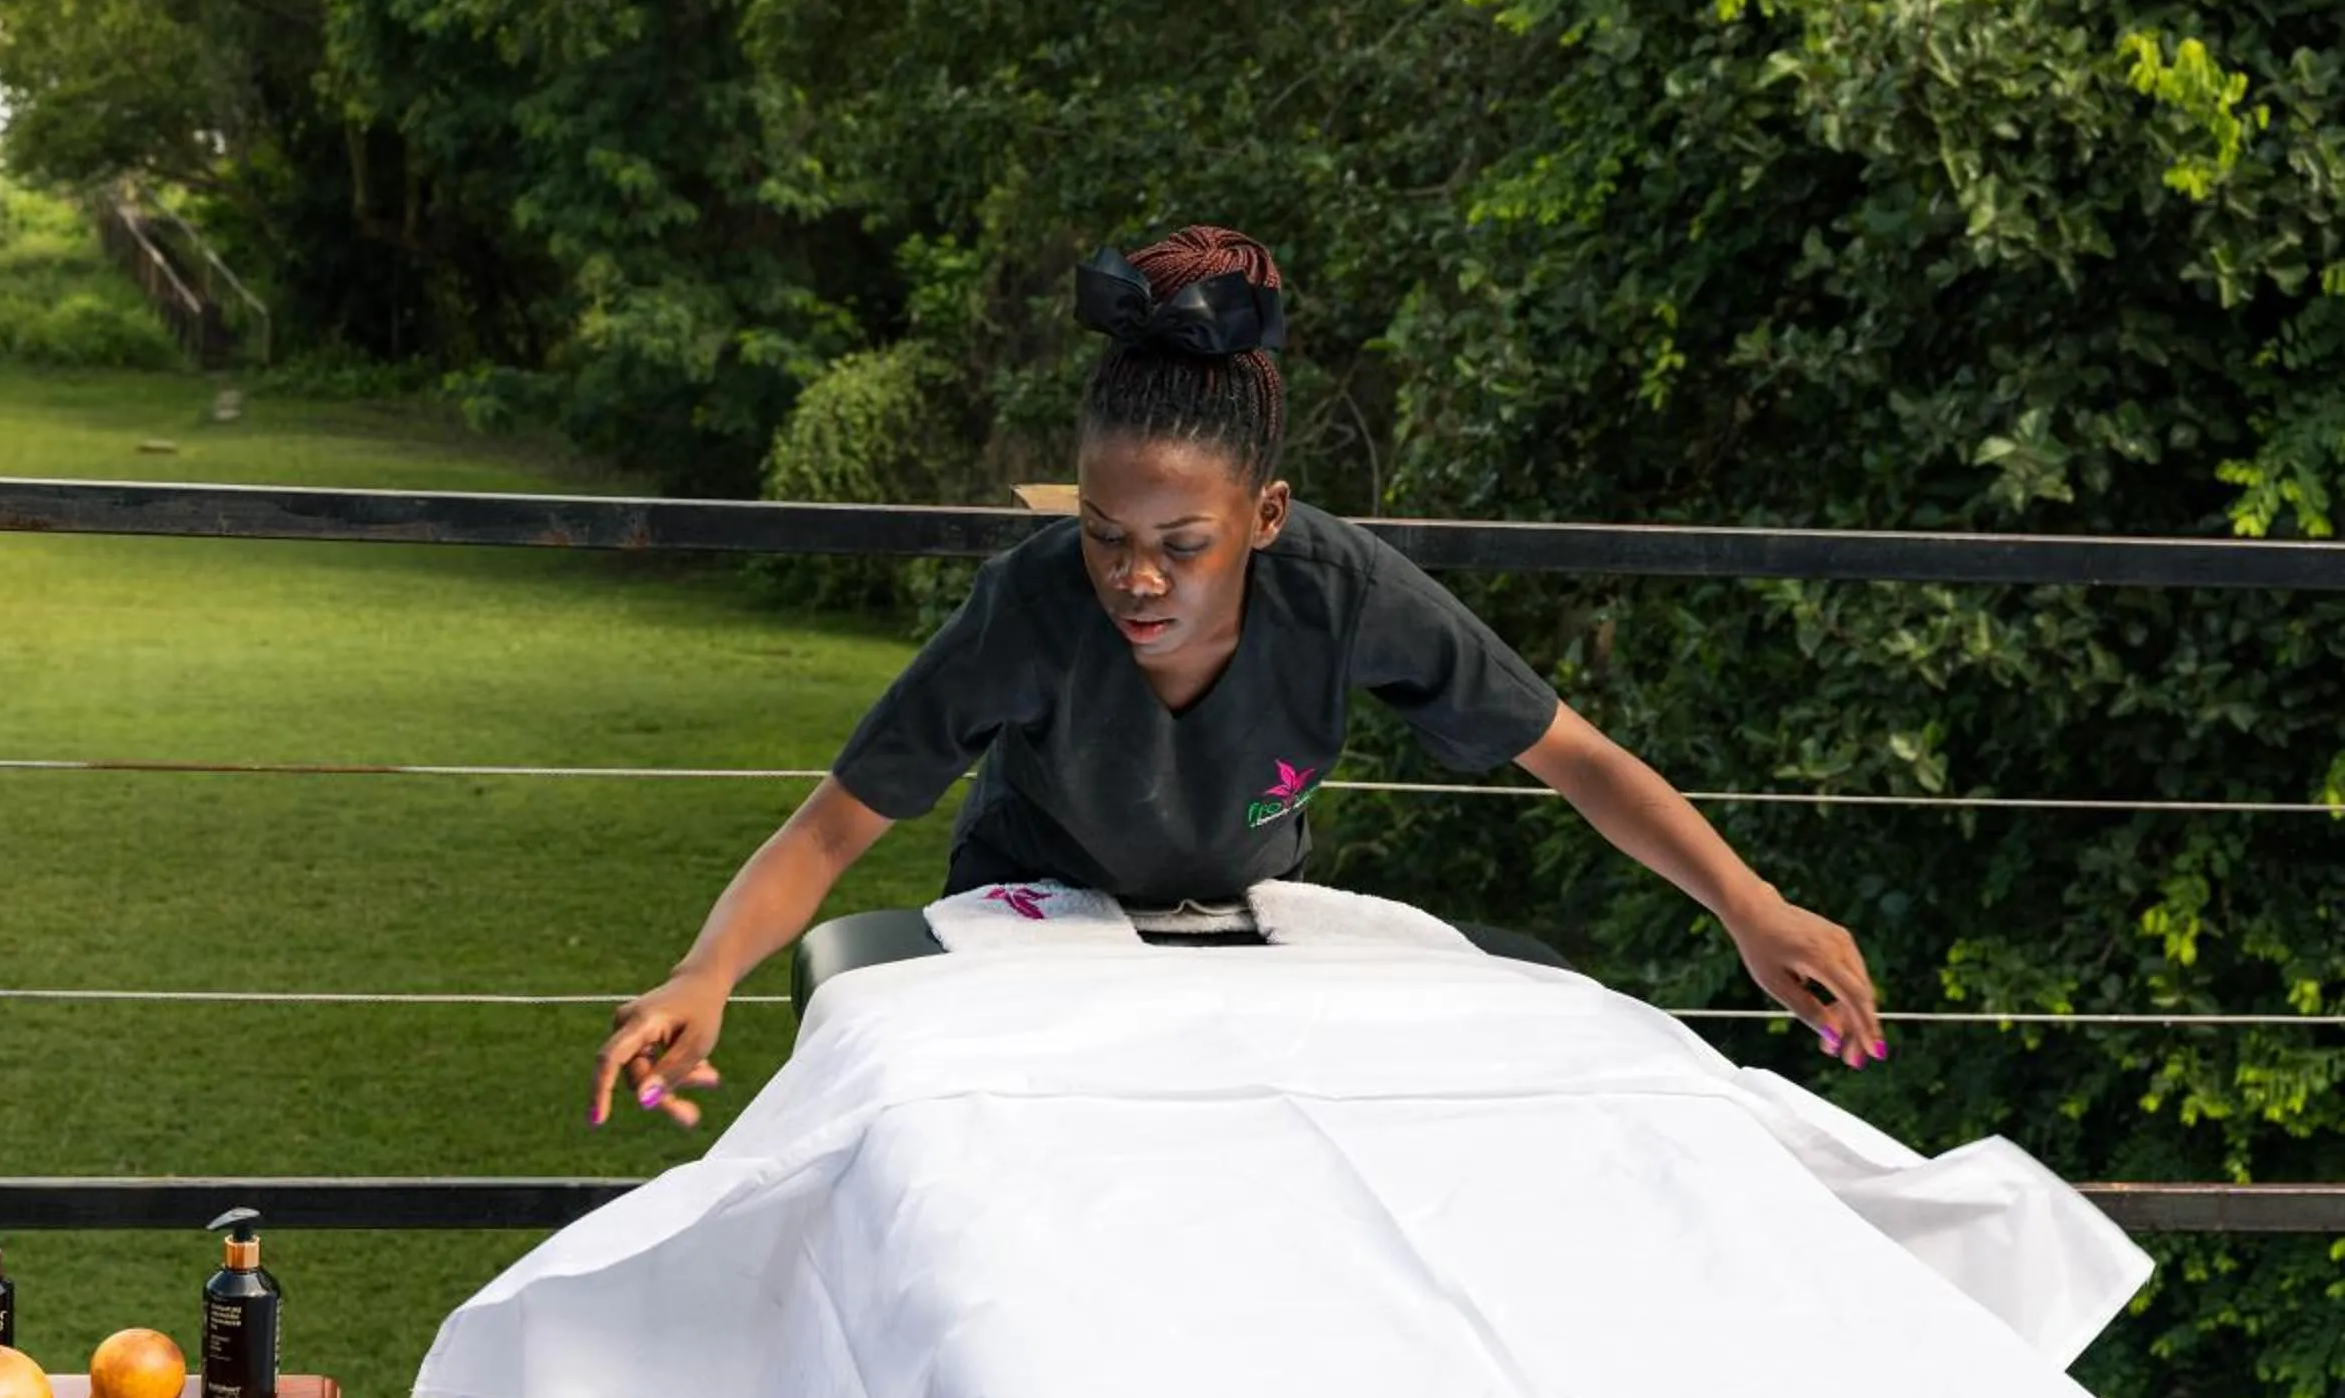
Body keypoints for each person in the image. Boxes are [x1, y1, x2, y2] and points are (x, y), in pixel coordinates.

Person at [592, 226, 1884, 1130]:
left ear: (1266, 516)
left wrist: (1749, 907)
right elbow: (834, 826)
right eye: (1105, 533)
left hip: (1235, 942)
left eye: (1181, 545)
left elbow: (1578, 758)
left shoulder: (1341, 593)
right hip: (1030, 938)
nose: (1133, 579)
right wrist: (708, 972)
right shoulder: (1034, 607)